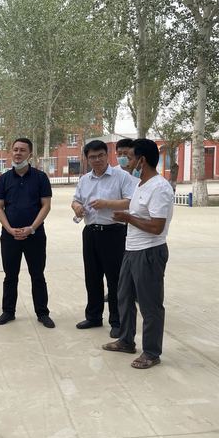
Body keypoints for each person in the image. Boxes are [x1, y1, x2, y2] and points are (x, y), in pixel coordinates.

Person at [102, 139, 174, 369]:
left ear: (142, 160)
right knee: (123, 297)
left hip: (149, 252)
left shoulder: (159, 187)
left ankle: (151, 352)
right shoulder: (141, 184)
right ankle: (126, 340)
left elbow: (156, 226)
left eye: (131, 157)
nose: (127, 161)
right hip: (132, 250)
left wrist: (127, 218)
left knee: (150, 305)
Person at [71, 140, 136, 338]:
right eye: (92, 157)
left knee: (115, 279)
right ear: (87, 159)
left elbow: (131, 201)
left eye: (100, 155)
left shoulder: (121, 177)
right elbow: (76, 200)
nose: (97, 160)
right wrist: (77, 207)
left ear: (107, 155)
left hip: (114, 233)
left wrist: (107, 203)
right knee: (92, 277)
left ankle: (117, 321)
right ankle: (93, 316)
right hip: (90, 232)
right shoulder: (84, 180)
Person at [0, 138, 54, 328]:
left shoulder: (40, 177)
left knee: (37, 275)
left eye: (22, 150)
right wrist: (9, 229)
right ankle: (8, 311)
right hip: (10, 236)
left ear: (30, 154)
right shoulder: (4, 179)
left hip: (35, 235)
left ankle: (42, 313)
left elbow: (46, 205)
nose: (18, 153)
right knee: (10, 275)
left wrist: (32, 228)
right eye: (15, 149)